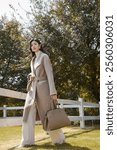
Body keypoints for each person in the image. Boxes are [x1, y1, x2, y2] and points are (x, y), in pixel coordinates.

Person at [18, 39, 65, 147]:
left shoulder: (44, 57)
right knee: (27, 113)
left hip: (44, 89)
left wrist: (53, 92)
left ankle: (58, 139)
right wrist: (30, 75)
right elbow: (34, 72)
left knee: (48, 115)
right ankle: (27, 141)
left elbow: (49, 74)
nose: (33, 46)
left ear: (39, 45)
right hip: (32, 90)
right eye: (31, 45)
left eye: (35, 44)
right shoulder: (32, 60)